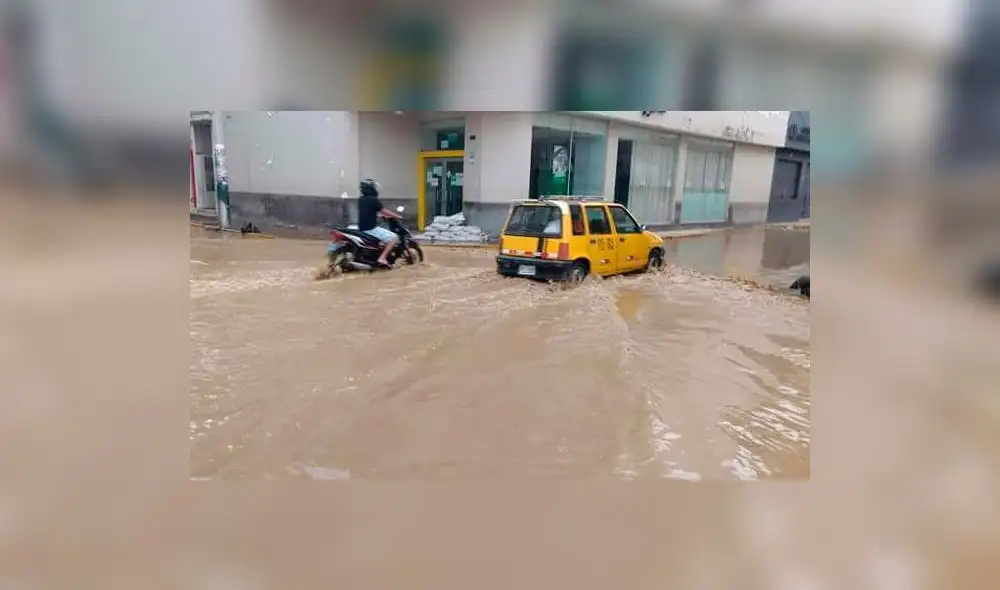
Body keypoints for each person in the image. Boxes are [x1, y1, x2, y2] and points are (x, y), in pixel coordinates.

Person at [357, 178, 402, 267]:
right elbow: (383, 210)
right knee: (394, 238)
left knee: (383, 237)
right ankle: (382, 258)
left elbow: (367, 212)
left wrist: (379, 216)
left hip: (362, 228)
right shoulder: (373, 200)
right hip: (371, 229)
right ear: (371, 188)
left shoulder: (361, 199)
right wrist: (398, 216)